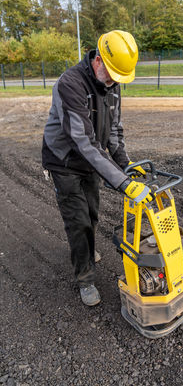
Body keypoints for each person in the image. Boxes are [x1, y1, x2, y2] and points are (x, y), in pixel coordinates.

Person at [42, 30, 152, 306]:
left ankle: (87, 251)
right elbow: (82, 141)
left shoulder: (112, 84)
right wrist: (124, 183)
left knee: (91, 212)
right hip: (65, 161)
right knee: (78, 222)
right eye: (113, 73)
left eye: (119, 77)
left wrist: (126, 164)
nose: (115, 81)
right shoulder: (71, 84)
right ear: (99, 60)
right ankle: (85, 278)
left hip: (92, 161)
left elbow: (114, 130)